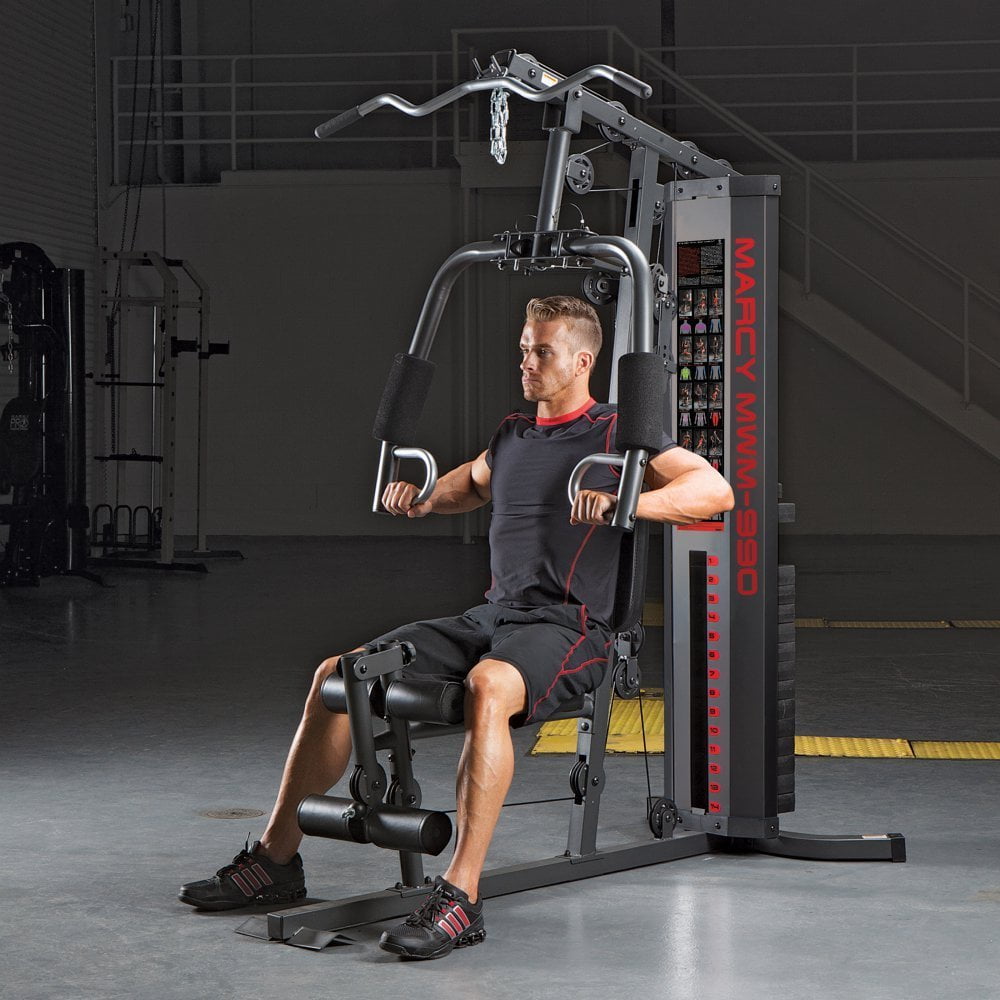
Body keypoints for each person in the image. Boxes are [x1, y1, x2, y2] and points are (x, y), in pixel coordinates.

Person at [178, 295, 734, 959]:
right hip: (490, 617)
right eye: (524, 349)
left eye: (542, 351)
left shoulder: (619, 433)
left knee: (488, 686)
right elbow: (471, 483)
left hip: (573, 627)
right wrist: (423, 498)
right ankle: (275, 861)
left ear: (584, 361)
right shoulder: (513, 434)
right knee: (337, 674)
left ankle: (460, 894)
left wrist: (629, 499)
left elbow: (714, 491)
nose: (526, 362)